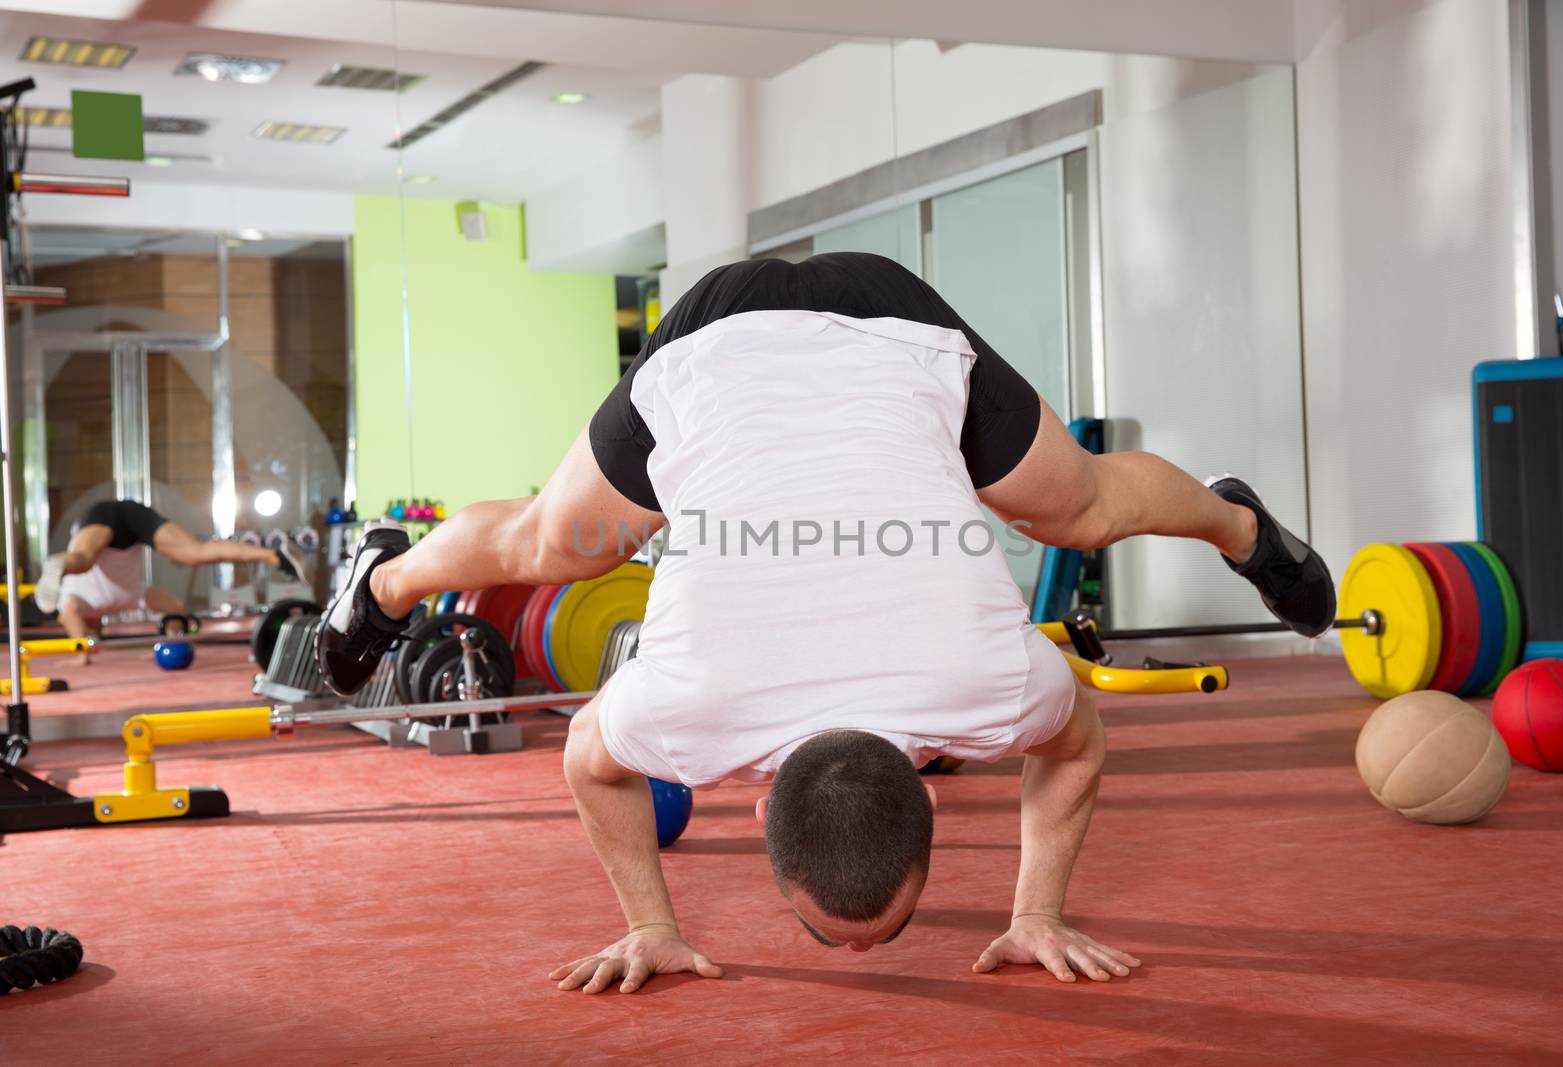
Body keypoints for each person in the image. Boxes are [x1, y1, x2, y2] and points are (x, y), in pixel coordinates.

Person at [318, 252, 1335, 994]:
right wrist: (1032, 911)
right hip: (821, 325)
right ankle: (386, 579)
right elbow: (588, 755)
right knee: (558, 541)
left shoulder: (974, 690)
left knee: (1079, 511)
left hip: (825, 324)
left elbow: (1076, 745)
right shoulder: (705, 710)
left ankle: (1244, 527)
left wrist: (652, 925)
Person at [33, 499, 310, 657]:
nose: (93, 631)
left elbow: (69, 615)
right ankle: (276, 556)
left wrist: (82, 656)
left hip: (100, 515)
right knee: (195, 552)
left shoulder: (74, 602)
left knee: (83, 560)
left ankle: (59, 562)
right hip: (132, 517)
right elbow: (176, 608)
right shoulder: (129, 599)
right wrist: (175, 639)